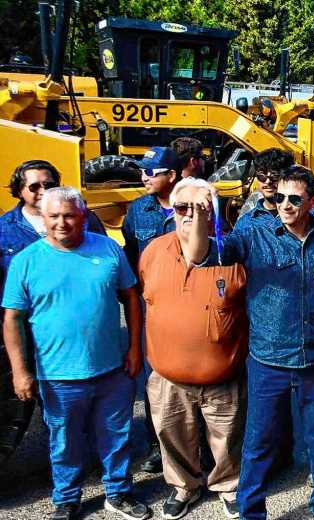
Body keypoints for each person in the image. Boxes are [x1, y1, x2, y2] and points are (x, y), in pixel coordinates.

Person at [187, 165, 314, 520]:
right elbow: (201, 256)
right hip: (268, 359)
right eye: (279, 198)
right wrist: (199, 216)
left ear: (313, 201)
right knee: (258, 442)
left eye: (294, 198)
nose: (285, 205)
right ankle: (251, 511)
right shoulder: (254, 234)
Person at [3, 186, 150, 520]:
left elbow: (130, 297)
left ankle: (119, 492)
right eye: (54, 216)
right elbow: (12, 318)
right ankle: (67, 498)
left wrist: (134, 349)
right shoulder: (26, 262)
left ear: (83, 216)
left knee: (116, 436)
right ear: (43, 217)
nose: (62, 223)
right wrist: (19, 371)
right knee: (65, 442)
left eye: (69, 215)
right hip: (57, 375)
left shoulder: (108, 249)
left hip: (112, 369)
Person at [139, 178, 247, 519]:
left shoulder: (231, 254)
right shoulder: (154, 251)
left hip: (223, 377)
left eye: (201, 208)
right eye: (183, 207)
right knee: (172, 436)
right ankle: (184, 485)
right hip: (168, 377)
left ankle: (227, 485)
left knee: (227, 438)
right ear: (172, 211)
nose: (190, 214)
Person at [122, 146, 182, 474]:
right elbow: (132, 259)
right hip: (151, 311)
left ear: (171, 176)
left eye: (151, 172)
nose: (144, 177)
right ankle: (158, 446)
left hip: (187, 311)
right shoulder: (137, 211)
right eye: (142, 171)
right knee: (153, 382)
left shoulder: (192, 206)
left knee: (191, 380)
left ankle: (195, 447)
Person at [0, 159, 106, 289]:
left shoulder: (85, 218)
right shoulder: (4, 228)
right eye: (34, 187)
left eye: (49, 185)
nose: (43, 191)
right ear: (19, 191)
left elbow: (104, 256)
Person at [234, 148, 293, 231]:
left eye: (275, 176)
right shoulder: (247, 223)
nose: (268, 181)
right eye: (262, 176)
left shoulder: (301, 216)